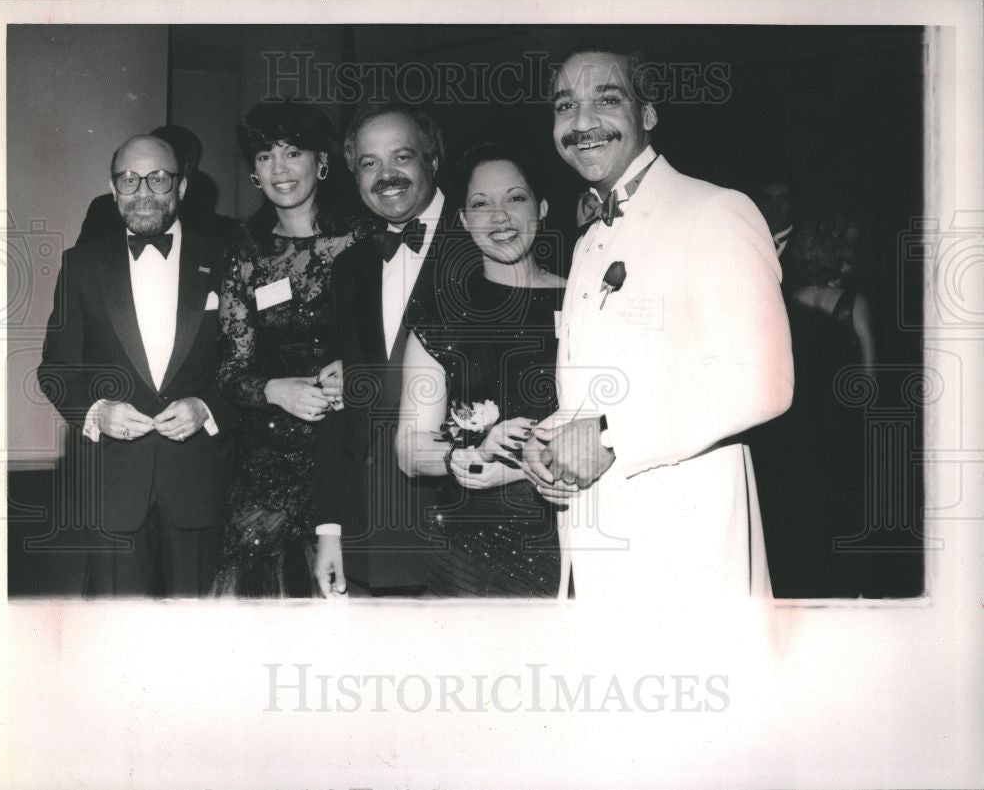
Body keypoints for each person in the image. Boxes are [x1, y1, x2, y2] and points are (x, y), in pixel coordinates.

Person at [522, 47, 795, 602]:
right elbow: (607, 385)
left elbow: (763, 380)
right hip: (596, 551)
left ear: (647, 114)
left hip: (683, 553)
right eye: (565, 105)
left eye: (607, 99)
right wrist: (546, 441)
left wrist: (605, 437)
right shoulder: (589, 238)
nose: (582, 123)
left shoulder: (714, 210)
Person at [38, 134, 239, 597]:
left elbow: (249, 364)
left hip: (200, 486)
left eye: (158, 178)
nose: (143, 191)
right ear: (113, 190)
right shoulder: (81, 265)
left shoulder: (228, 258)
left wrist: (208, 409)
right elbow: (56, 368)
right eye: (129, 180)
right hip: (113, 491)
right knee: (120, 641)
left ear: (182, 187)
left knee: (199, 639)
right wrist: (96, 412)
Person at [395, 142, 566, 597]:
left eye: (515, 198)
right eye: (480, 204)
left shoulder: (586, 300)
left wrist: (520, 468)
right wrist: (465, 455)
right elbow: (410, 447)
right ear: (465, 221)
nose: (499, 216)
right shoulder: (439, 314)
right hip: (469, 552)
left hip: (573, 533)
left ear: (542, 207)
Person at [211, 102, 365, 598]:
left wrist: (361, 370)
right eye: (264, 156)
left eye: (292, 152)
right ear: (253, 171)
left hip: (347, 446)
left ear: (320, 161)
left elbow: (397, 340)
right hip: (269, 459)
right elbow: (230, 370)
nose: (279, 168)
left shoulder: (364, 238)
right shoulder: (244, 251)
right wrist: (276, 390)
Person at [331, 102, 457, 594]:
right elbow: (342, 418)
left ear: (433, 159)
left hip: (462, 526)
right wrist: (330, 529)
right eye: (368, 163)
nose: (386, 176)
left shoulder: (489, 239)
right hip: (371, 534)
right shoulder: (350, 268)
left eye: (401, 157)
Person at [751, 215, 875, 597]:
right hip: (840, 426)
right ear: (836, 258)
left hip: (794, 429)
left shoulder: (785, 304)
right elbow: (870, 378)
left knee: (797, 521)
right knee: (840, 519)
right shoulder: (854, 303)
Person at [76, 125, 237, 247]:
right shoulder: (103, 211)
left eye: (158, 178)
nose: (144, 192)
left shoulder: (219, 235)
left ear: (183, 181)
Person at [753, 176, 796, 262]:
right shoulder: (747, 240)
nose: (775, 208)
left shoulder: (810, 246)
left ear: (792, 203)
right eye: (767, 199)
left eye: (782, 199)